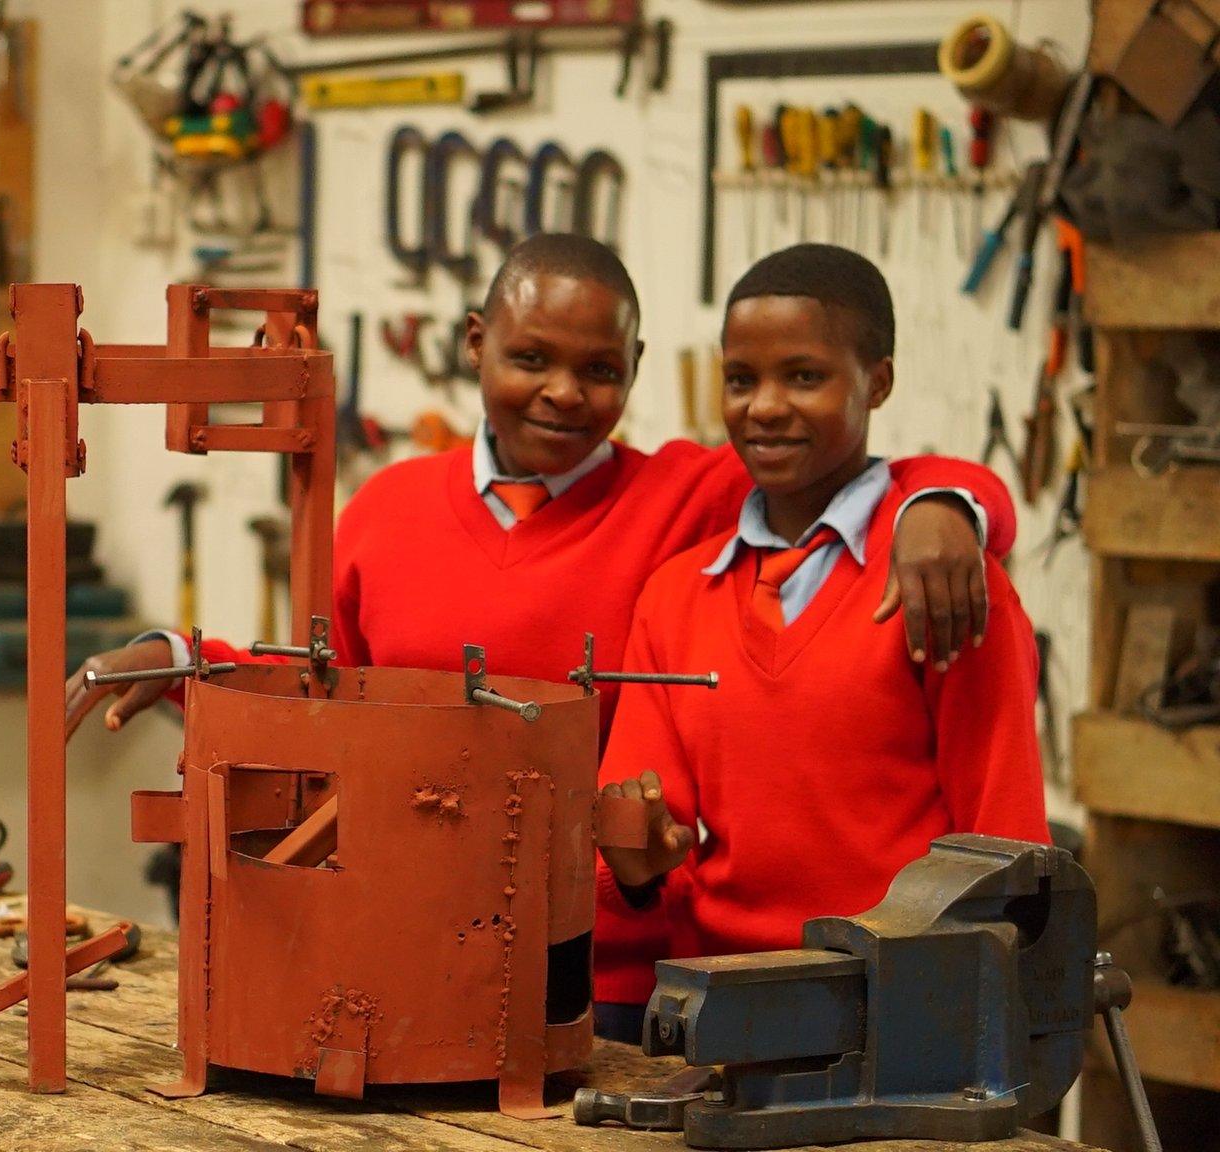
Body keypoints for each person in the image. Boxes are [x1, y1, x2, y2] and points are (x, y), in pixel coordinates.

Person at [54, 233, 1019, 1041]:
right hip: (414, 938)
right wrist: (187, 657)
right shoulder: (388, 510)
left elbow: (847, 468)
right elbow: (329, 692)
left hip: (615, 972)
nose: (564, 393)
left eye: (600, 371)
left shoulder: (689, 498)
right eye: (531, 359)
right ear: (476, 344)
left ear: (637, 373)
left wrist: (947, 506)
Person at [595, 244, 1050, 1012]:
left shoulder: (944, 584)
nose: (765, 406)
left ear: (878, 381)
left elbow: (1007, 847)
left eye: (804, 376)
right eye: (742, 379)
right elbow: (640, 842)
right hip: (721, 1010)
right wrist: (634, 858)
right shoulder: (676, 595)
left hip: (909, 1014)